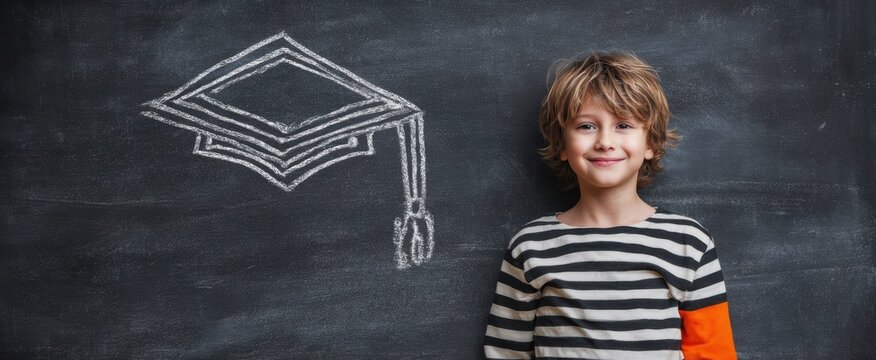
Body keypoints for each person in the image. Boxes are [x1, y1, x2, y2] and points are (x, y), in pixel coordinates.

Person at [483, 52, 737, 359]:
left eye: (624, 125)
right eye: (586, 126)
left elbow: (714, 354)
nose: (605, 141)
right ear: (563, 145)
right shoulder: (530, 246)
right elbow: (506, 353)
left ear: (650, 144)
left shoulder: (687, 242)